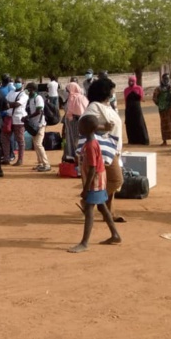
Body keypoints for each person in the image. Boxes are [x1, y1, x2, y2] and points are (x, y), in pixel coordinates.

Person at [67, 115, 122, 253]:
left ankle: (84, 243)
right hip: (99, 178)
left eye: (80, 126)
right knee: (102, 207)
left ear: (86, 129)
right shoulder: (91, 142)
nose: (78, 128)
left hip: (95, 180)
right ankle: (115, 234)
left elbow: (92, 168)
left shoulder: (91, 145)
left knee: (90, 209)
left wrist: (86, 189)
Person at [84, 77, 125, 223]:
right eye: (112, 90)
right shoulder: (94, 107)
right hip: (102, 151)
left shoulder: (106, 106)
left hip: (111, 149)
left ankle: (108, 212)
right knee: (116, 180)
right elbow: (84, 124)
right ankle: (90, 202)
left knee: (108, 182)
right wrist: (103, 128)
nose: (113, 93)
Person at [25, 83, 50, 172]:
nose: (27, 91)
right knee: (36, 144)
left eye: (28, 89)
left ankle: (46, 164)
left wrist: (28, 117)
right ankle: (40, 163)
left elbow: (39, 111)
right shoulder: (30, 99)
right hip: (34, 125)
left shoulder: (38, 98)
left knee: (38, 144)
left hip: (40, 124)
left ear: (33, 89)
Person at [152, 73, 171, 146]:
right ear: (162, 79)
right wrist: (160, 104)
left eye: (167, 78)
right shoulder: (158, 88)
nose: (166, 80)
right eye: (164, 78)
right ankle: (164, 141)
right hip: (163, 109)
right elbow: (154, 98)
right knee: (164, 124)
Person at [63, 82, 88, 161]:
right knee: (70, 141)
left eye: (68, 90)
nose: (67, 92)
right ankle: (71, 157)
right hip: (70, 125)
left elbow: (81, 112)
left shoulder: (79, 98)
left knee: (77, 141)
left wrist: (74, 117)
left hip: (77, 123)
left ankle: (79, 158)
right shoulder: (70, 98)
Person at [5, 78, 28, 166]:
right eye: (16, 82)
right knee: (5, 138)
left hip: (19, 119)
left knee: (20, 140)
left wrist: (9, 104)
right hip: (9, 118)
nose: (17, 83)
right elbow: (6, 101)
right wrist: (10, 104)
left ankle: (20, 159)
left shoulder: (24, 95)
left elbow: (17, 104)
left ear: (23, 84)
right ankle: (6, 158)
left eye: (19, 82)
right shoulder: (11, 92)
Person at [123, 76, 150, 145]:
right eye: (129, 81)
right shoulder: (126, 90)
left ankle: (143, 140)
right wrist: (126, 109)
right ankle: (132, 140)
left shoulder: (139, 88)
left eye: (132, 81)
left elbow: (141, 97)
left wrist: (134, 91)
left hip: (137, 108)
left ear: (135, 81)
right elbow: (126, 100)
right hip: (129, 109)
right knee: (130, 124)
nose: (130, 82)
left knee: (139, 123)